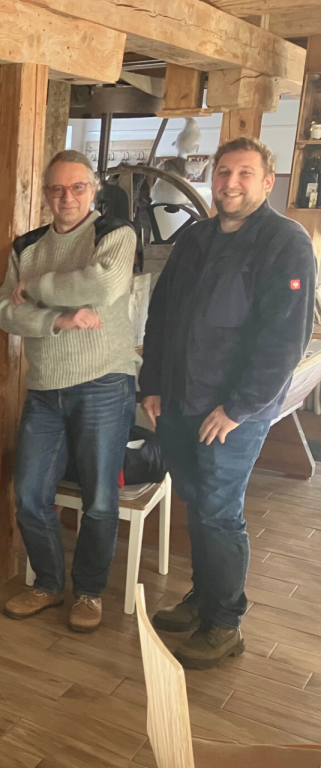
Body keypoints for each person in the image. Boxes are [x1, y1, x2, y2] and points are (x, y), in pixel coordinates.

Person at [141, 137, 315, 669]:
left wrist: (238, 408)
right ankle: (203, 599)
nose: (230, 183)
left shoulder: (286, 242)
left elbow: (284, 339)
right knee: (197, 503)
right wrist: (152, 383)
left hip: (232, 414)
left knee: (219, 512)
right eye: (223, 172)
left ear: (267, 182)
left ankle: (224, 623)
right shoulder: (196, 237)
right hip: (180, 400)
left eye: (244, 173)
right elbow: (161, 313)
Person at [0, 150, 138, 633]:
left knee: (100, 499)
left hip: (104, 382)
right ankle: (49, 584)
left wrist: (34, 286)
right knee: (29, 493)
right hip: (44, 388)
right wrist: (57, 320)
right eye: (56, 188)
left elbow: (102, 284)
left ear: (93, 190)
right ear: (45, 193)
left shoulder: (115, 233)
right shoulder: (26, 245)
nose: (67, 197)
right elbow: (3, 311)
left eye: (77, 187)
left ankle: (90, 593)